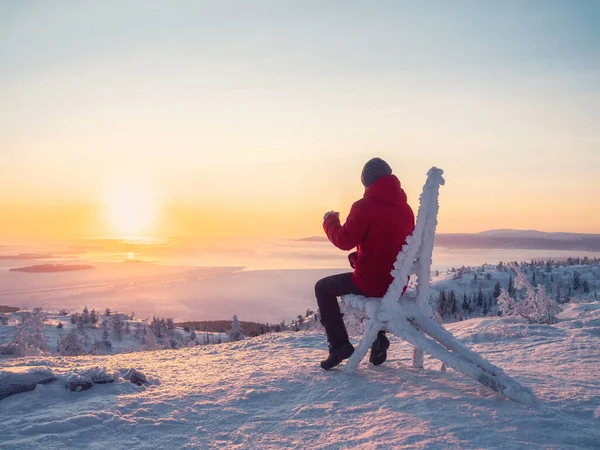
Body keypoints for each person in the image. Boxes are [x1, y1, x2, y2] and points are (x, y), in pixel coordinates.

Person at [316, 157, 415, 370]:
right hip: (397, 283)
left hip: (373, 282)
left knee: (322, 288)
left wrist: (329, 220)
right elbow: (388, 246)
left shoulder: (364, 206)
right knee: (366, 278)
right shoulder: (406, 209)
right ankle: (377, 336)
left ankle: (339, 345)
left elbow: (343, 240)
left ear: (367, 182)